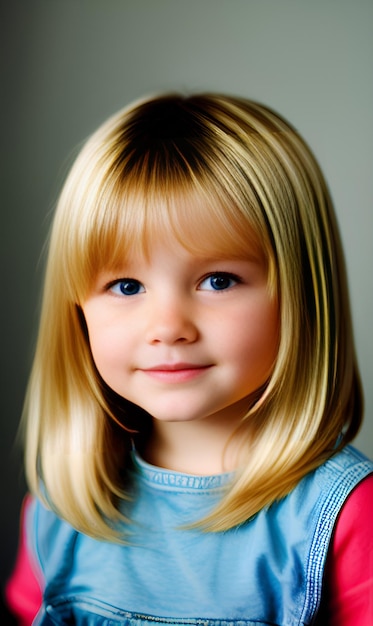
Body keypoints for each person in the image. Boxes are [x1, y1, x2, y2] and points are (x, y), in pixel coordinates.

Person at [5, 94, 373, 625]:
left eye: (218, 280)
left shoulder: (345, 516)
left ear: (302, 295)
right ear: (77, 310)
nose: (168, 327)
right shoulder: (57, 510)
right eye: (126, 285)